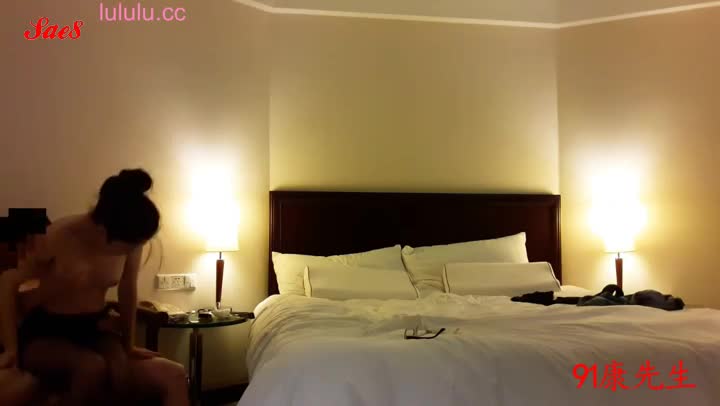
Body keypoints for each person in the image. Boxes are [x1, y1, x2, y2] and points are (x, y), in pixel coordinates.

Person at [0, 168, 189, 406]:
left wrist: (129, 343)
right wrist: (10, 348)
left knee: (121, 374)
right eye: (129, 246)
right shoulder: (57, 236)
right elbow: (7, 282)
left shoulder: (129, 235)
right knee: (90, 368)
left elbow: (127, 288)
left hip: (93, 327)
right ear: (104, 230)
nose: (134, 250)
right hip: (46, 330)